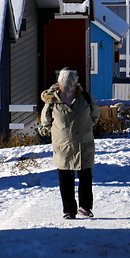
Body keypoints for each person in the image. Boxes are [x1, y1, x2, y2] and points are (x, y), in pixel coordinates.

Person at [41, 69, 99, 220]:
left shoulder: (85, 97)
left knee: (86, 175)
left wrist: (85, 128)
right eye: (67, 84)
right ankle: (69, 210)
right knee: (66, 178)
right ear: (60, 84)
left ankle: (85, 207)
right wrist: (59, 133)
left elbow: (95, 115)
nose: (70, 87)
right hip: (63, 145)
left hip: (84, 143)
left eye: (72, 84)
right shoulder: (52, 101)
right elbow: (45, 122)